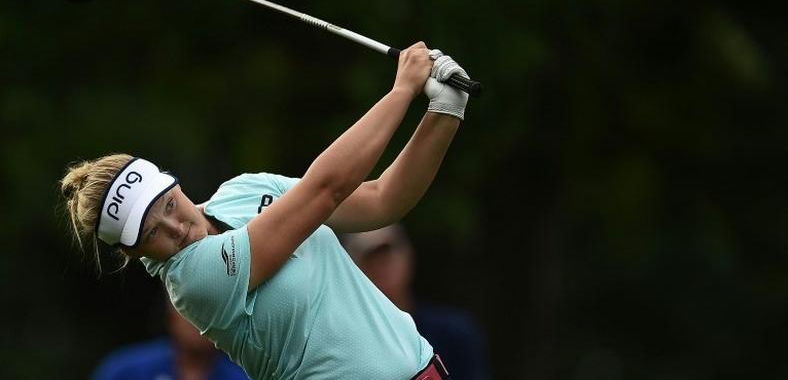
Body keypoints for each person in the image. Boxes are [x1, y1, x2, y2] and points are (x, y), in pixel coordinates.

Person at [61, 42, 468, 380]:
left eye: (169, 204)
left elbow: (383, 199)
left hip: (426, 368)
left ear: (174, 183)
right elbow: (324, 189)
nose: (175, 227)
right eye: (151, 233)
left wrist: (445, 111)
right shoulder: (192, 282)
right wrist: (401, 91)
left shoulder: (244, 190)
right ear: (133, 253)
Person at [341, 224, 491, 380]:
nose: (382, 266)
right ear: (352, 270)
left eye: (387, 254)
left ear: (409, 256)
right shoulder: (346, 347)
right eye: (371, 258)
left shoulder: (455, 331)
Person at [91, 291, 248, 380]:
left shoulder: (242, 377)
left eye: (210, 312)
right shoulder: (125, 370)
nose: (199, 322)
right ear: (171, 317)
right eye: (190, 311)